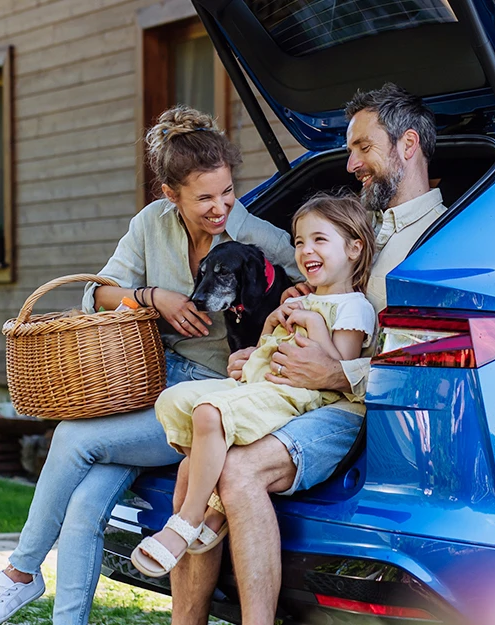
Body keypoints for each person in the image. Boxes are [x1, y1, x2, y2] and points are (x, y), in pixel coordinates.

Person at [0, 105, 300, 625]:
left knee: (75, 438)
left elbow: (324, 278)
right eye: (204, 197)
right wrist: (151, 296)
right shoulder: (151, 224)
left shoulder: (257, 238)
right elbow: (96, 297)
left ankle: (20, 573)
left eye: (227, 191)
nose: (221, 207)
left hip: (209, 399)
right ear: (171, 195)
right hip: (148, 385)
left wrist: (292, 304)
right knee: (84, 505)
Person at [170, 83, 446, 625]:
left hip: (371, 415)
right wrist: (258, 358)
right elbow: (317, 309)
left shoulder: (441, 239)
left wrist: (340, 374)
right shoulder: (358, 228)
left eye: (363, 147)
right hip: (296, 398)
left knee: (239, 470)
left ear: (407, 145)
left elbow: (425, 354)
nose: (351, 163)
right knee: (197, 461)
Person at [132, 195, 377, 578]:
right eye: (298, 242)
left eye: (319, 240)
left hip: (301, 395)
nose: (305, 250)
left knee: (211, 413)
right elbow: (265, 347)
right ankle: (214, 505)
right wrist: (271, 324)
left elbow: (335, 370)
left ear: (354, 248)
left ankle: (187, 522)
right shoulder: (301, 298)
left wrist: (310, 322)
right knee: (173, 401)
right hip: (264, 381)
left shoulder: (353, 307)